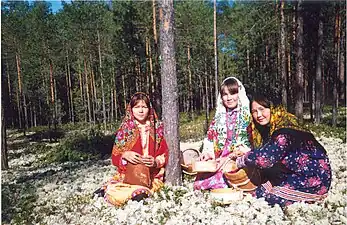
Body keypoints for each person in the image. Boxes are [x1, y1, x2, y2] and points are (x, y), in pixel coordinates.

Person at [233, 93, 332, 208]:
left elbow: (264, 159)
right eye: (254, 111)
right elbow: (266, 152)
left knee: (270, 198)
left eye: (262, 109)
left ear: (273, 108)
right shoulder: (271, 127)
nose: (258, 115)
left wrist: (241, 160)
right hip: (291, 174)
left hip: (313, 177)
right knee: (258, 193)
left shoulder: (284, 130)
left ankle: (316, 196)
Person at [97, 92, 169, 206]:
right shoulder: (125, 129)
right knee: (116, 187)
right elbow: (116, 156)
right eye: (137, 107)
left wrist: (156, 162)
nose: (140, 111)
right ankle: (114, 191)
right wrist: (125, 155)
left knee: (143, 191)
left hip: (152, 174)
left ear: (149, 109)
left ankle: (135, 194)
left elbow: (167, 152)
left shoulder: (158, 128)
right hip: (130, 173)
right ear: (131, 109)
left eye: (144, 107)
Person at [194, 77, 253, 190]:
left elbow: (250, 144)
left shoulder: (247, 117)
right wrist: (208, 154)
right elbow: (211, 139)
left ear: (239, 94)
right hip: (220, 156)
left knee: (222, 179)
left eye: (233, 93)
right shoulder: (218, 117)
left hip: (239, 156)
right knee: (199, 183)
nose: (229, 98)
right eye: (225, 94)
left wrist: (233, 156)